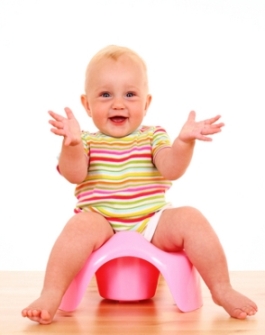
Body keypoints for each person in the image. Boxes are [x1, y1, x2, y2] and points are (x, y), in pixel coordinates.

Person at [22, 45, 257, 324]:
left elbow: (171, 168)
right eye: (106, 94)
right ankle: (51, 293)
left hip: (151, 222)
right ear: (86, 104)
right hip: (100, 222)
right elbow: (75, 174)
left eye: (130, 95)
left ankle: (221, 288)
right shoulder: (85, 140)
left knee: (190, 218)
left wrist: (184, 143)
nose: (118, 104)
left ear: (147, 102)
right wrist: (70, 144)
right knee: (78, 227)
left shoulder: (153, 136)